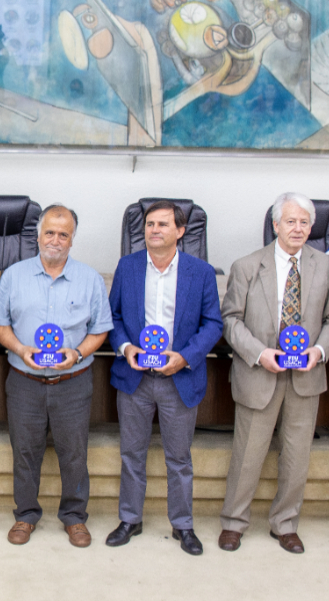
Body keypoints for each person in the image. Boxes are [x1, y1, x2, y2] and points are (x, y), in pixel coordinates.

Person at [217, 193, 329, 553]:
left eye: (305, 222)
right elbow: (231, 320)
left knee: (296, 456)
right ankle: (234, 523)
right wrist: (260, 354)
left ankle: (285, 524)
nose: (298, 228)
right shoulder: (246, 266)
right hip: (260, 373)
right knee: (248, 455)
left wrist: (318, 352)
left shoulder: (324, 265)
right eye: (291, 221)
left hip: (305, 377)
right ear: (275, 225)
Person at [106, 200, 223, 555]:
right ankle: (130, 519)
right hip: (136, 377)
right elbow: (113, 317)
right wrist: (126, 347)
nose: (154, 230)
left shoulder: (200, 272)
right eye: (150, 224)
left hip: (178, 378)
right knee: (132, 453)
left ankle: (183, 525)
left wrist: (185, 357)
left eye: (162, 224)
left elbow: (213, 323)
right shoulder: (127, 267)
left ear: (181, 231)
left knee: (179, 458)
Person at [0, 205, 112, 547]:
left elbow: (100, 329)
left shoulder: (90, 279)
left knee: (74, 454)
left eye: (63, 234)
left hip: (72, 382)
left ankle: (74, 517)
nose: (55, 240)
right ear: (38, 235)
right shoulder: (13, 276)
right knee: (24, 452)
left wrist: (78, 353)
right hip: (25, 381)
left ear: (72, 239)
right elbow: (0, 326)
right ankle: (25, 515)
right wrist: (20, 348)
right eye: (50, 232)